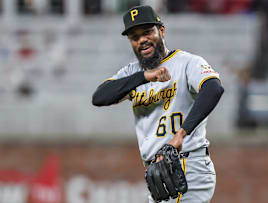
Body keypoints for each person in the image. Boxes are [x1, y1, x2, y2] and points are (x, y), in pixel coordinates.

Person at [92, 5, 224, 203]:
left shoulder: (186, 62)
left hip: (187, 164)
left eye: (147, 32)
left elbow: (213, 88)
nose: (142, 40)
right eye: (135, 37)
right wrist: (145, 76)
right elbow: (99, 97)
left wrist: (181, 134)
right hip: (158, 171)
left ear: (161, 31)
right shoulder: (133, 73)